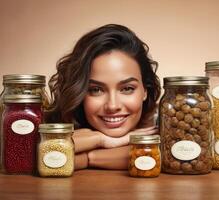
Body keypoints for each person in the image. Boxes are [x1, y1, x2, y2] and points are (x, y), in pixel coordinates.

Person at [46, 24, 161, 170]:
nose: (112, 106)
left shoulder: (170, 123)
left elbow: (157, 155)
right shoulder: (64, 122)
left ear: (145, 90)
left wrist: (89, 157)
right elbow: (42, 151)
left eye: (127, 88)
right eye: (96, 90)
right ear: (79, 92)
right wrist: (100, 140)